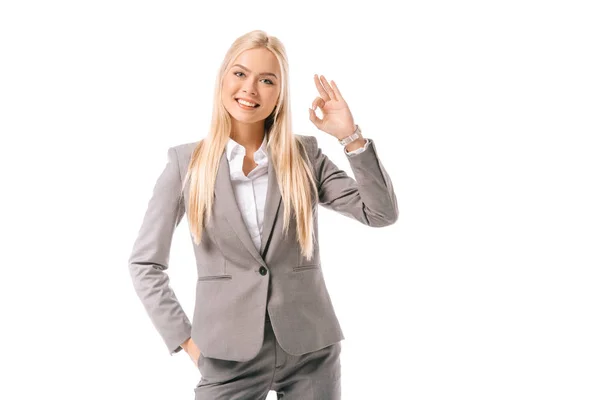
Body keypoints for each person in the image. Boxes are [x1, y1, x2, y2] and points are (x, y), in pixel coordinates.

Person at [128, 29, 398, 399]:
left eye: (267, 80)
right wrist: (186, 341)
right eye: (240, 74)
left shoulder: (304, 156)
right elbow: (145, 263)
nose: (250, 89)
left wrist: (350, 136)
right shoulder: (185, 164)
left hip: (310, 352)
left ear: (280, 93)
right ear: (223, 78)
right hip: (226, 357)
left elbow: (380, 213)